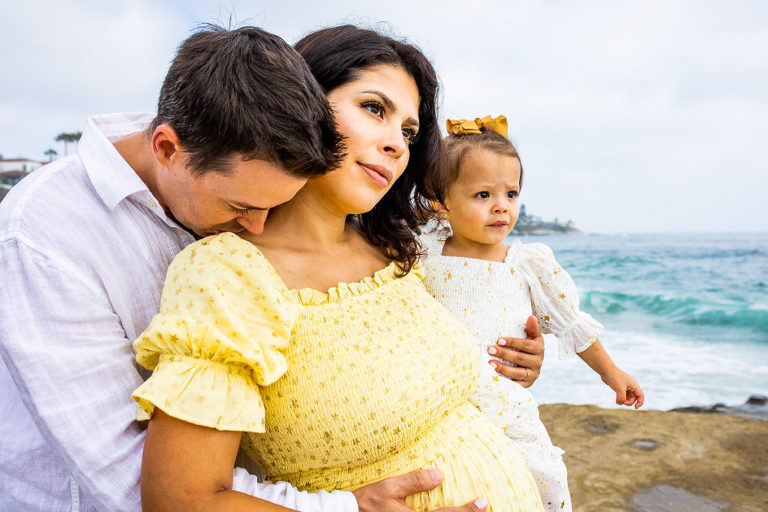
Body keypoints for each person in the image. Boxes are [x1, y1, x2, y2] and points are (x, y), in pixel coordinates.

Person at [0, 25, 537, 512]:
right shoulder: (50, 234)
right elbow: (139, 482)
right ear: (306, 107)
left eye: (411, 131)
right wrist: (347, 509)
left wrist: (510, 357)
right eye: (374, 108)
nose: (398, 143)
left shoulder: (389, 244)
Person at [419, 115, 646, 511]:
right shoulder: (423, 249)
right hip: (438, 400)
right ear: (442, 202)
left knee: (539, 476)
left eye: (511, 194)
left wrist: (612, 374)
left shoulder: (527, 264)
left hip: (504, 403)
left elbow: (571, 324)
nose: (501, 207)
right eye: (482, 195)